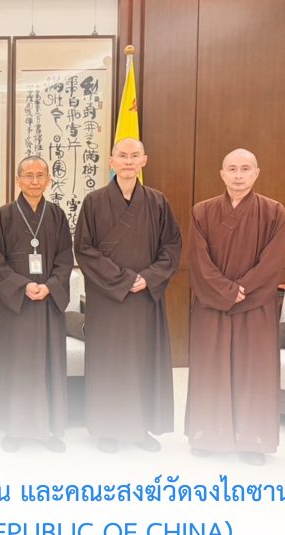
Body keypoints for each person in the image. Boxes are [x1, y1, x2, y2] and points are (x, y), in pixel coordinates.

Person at [74, 137, 181, 454]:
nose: (128, 161)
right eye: (122, 155)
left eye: (135, 156)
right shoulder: (94, 202)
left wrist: (147, 278)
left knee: (142, 362)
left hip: (145, 297)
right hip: (108, 299)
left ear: (144, 161)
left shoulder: (158, 202)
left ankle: (139, 428)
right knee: (109, 362)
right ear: (112, 161)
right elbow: (84, 249)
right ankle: (107, 428)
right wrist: (123, 280)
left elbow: (171, 247)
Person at [185, 149, 285, 465]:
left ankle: (252, 443)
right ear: (222, 174)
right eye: (232, 169)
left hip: (254, 305)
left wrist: (243, 290)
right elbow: (198, 261)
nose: (238, 175)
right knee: (210, 369)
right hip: (213, 303)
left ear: (256, 173)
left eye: (245, 168)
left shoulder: (273, 212)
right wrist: (228, 291)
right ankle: (207, 436)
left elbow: (273, 261)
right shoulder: (202, 211)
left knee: (253, 371)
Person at [0, 156, 75, 453]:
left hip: (48, 304)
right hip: (17, 307)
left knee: (48, 366)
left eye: (40, 175)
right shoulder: (4, 216)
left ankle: (48, 430)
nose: (34, 181)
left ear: (49, 180)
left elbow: (65, 259)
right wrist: (23, 286)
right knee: (17, 367)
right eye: (28, 175)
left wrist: (50, 286)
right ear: (18, 180)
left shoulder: (57, 215)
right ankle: (14, 429)